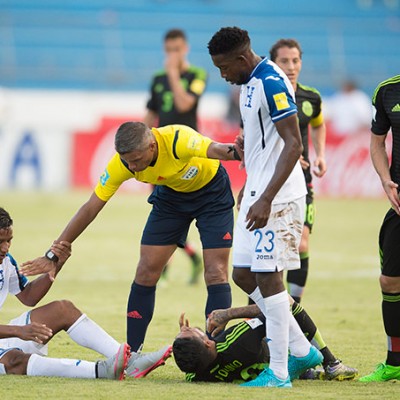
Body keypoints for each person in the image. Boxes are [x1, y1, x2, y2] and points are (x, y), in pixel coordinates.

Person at [20, 121, 243, 353]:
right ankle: (132, 354)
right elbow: (91, 207)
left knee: (216, 272)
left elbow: (218, 150)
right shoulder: (124, 164)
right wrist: (53, 253)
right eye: (128, 162)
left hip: (212, 194)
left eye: (137, 160)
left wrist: (240, 151)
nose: (133, 168)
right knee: (146, 270)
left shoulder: (179, 139)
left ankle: (213, 352)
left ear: (152, 147)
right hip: (171, 200)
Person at [208, 26, 323, 388]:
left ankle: (278, 372)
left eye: (224, 67)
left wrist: (267, 198)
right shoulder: (248, 84)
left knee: (269, 277)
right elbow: (265, 141)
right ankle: (303, 351)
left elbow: (293, 145)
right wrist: (250, 185)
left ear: (242, 59)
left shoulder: (272, 81)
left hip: (279, 199)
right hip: (256, 193)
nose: (222, 75)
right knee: (242, 273)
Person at [0, 207, 172, 379]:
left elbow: (29, 296)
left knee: (62, 309)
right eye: (1, 241)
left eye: (9, 241)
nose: (5, 248)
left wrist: (56, 265)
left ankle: (131, 362)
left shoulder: (6, 261)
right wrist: (18, 331)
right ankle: (101, 371)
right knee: (14, 361)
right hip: (9, 334)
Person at [144, 28, 208, 285]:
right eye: (169, 50)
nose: (173, 54)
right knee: (163, 208)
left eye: (177, 49)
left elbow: (184, 105)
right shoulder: (157, 79)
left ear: (186, 49)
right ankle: (170, 268)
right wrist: (137, 141)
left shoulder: (197, 75)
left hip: (188, 154)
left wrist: (173, 73)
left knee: (181, 212)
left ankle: (178, 262)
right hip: (158, 153)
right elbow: (150, 114)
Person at [269, 38, 327, 303]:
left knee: (302, 243)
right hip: (274, 181)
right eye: (284, 61)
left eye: (295, 60)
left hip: (303, 182)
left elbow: (317, 124)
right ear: (274, 63)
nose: (291, 66)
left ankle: (295, 308)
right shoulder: (267, 93)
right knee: (274, 251)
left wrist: (320, 154)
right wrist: (287, 155)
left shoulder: (311, 97)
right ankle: (268, 307)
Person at [173, 302, 358, 383]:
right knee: (287, 302)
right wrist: (228, 314)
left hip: (257, 365)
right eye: (189, 331)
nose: (186, 328)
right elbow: (278, 309)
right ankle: (330, 362)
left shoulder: (196, 373)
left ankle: (307, 373)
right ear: (207, 344)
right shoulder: (238, 339)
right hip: (282, 357)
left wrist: (183, 345)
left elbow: (192, 364)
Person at [359, 75, 400, 382]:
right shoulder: (387, 91)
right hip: (398, 207)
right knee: (390, 281)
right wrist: (386, 180)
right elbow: (376, 143)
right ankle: (394, 362)